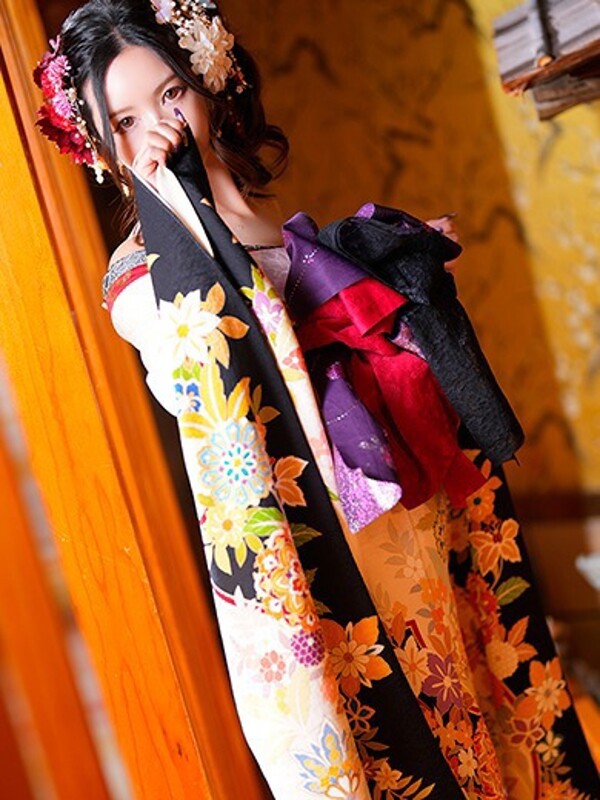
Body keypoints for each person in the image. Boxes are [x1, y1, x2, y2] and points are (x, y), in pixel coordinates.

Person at [33, 2, 600, 798]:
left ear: (207, 83)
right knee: (415, 735)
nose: (157, 129)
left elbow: (331, 320)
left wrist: (394, 269)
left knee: (475, 707)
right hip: (330, 540)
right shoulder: (141, 279)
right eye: (124, 121)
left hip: (408, 505)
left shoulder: (263, 218)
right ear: (98, 144)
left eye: (169, 95)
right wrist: (173, 210)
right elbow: (208, 357)